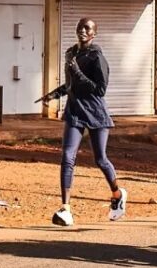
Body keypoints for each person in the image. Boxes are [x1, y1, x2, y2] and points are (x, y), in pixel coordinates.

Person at [53, 18, 128, 227]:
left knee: (100, 159)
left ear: (94, 33)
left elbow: (99, 89)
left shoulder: (97, 57)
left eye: (88, 28)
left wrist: (77, 72)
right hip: (74, 111)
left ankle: (117, 193)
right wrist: (57, 92)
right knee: (67, 156)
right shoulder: (70, 53)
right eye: (80, 27)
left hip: (95, 112)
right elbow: (71, 84)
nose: (83, 30)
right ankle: (65, 208)